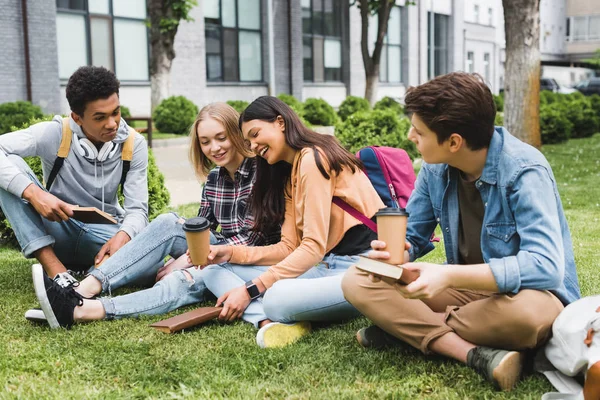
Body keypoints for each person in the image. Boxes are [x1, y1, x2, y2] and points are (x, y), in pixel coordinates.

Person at [341, 72, 581, 391]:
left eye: (419, 131)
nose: (411, 136)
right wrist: (399, 255)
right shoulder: (434, 169)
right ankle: (467, 349)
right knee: (357, 279)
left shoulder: (525, 170)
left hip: (529, 295)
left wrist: (449, 276)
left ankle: (405, 330)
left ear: (454, 142)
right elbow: (413, 235)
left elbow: (546, 266)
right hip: (470, 292)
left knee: (528, 317)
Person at [32, 103, 279, 329]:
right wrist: (191, 252)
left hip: (253, 260)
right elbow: (202, 226)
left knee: (182, 280)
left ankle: (80, 310)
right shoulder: (215, 178)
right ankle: (83, 289)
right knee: (169, 222)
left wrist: (189, 260)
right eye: (205, 142)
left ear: (236, 135)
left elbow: (254, 238)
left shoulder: (263, 172)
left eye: (221, 138)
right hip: (218, 251)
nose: (214, 148)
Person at [199, 96, 384, 348]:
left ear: (280, 122)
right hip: (326, 268)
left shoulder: (314, 158)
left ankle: (270, 312)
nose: (253, 147)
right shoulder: (289, 175)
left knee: (276, 297)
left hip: (361, 271)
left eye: (255, 134)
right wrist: (230, 252)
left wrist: (252, 289)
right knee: (214, 271)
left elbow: (312, 247)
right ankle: (267, 321)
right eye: (248, 142)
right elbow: (288, 247)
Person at [0, 66, 148, 283]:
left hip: (104, 236)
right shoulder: (54, 133)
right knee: (9, 167)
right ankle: (57, 272)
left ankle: (93, 272)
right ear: (77, 118)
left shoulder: (134, 144)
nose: (112, 124)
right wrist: (34, 194)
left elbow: (137, 211)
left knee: (151, 268)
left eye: (115, 112)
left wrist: (123, 236)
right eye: (100, 117)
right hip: (56, 229)